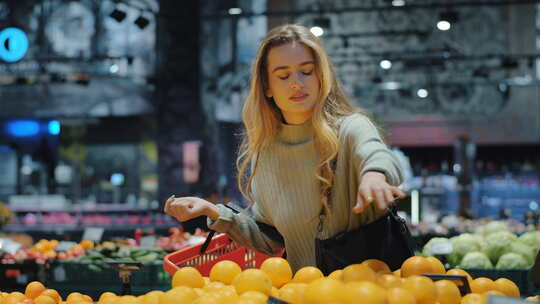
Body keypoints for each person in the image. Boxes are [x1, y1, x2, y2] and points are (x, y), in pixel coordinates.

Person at [165, 24, 406, 272]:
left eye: (307, 71)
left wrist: (374, 175)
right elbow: (270, 240)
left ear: (321, 76)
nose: (296, 83)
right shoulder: (266, 153)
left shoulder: (350, 128)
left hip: (369, 292)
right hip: (301, 293)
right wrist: (213, 211)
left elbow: (375, 153)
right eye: (283, 75)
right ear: (267, 87)